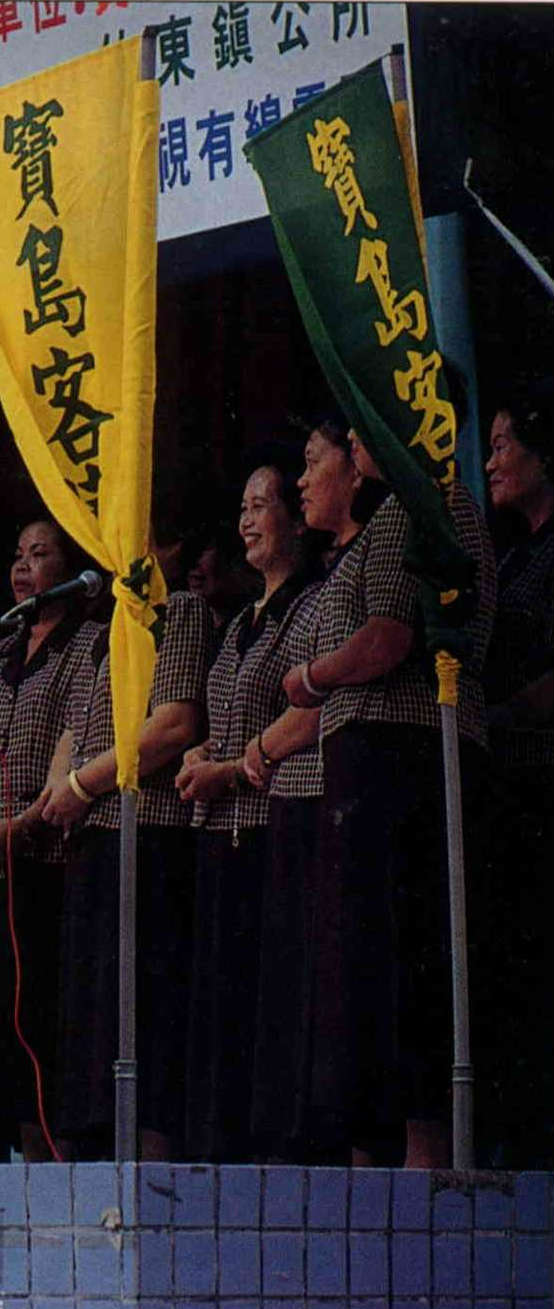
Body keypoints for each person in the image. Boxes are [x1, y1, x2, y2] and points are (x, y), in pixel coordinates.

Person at [281, 421, 496, 1168]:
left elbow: (388, 637)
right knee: (366, 970)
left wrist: (311, 677)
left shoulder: (426, 502)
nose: (355, 432)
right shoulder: (396, 510)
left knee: (406, 961)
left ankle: (421, 1158)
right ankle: (381, 1158)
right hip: (370, 758)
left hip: (405, 751)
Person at [240, 416, 378, 1162]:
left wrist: (256, 748)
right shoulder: (323, 576)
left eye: (311, 463)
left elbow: (333, 686)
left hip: (322, 785)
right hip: (286, 798)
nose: (301, 480)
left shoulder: (354, 564)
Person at [173, 455, 318, 1162]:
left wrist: (227, 769)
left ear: (296, 519)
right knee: (219, 1006)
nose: (247, 521)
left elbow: (307, 716)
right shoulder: (237, 624)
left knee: (270, 1004)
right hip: (217, 831)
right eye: (242, 508)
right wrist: (200, 753)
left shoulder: (312, 605)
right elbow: (223, 716)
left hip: (271, 828)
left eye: (261, 506)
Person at [42, 574, 209, 1160]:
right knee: (90, 1012)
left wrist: (80, 786)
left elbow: (173, 724)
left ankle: (150, 1161)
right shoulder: (106, 622)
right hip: (91, 831)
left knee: (145, 1002)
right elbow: (74, 728)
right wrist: (57, 790)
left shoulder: (178, 610)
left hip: (148, 829)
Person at [0, 519, 95, 1160]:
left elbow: (74, 745)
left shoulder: (86, 645)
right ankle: (12, 1157)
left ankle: (51, 1156)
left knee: (42, 1012)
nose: (23, 566)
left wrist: (23, 823)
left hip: (45, 855)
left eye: (39, 554)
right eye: (18, 554)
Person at [478, 386, 554, 1165]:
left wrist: (501, 714)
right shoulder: (510, 557)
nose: (491, 461)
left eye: (503, 444)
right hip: (505, 785)